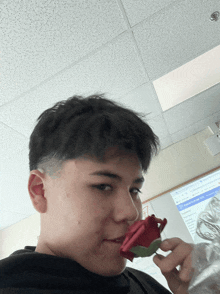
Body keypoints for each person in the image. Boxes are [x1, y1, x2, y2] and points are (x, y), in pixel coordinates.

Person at [0, 94, 193, 293]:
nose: (131, 213)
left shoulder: (144, 283)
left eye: (134, 190)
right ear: (40, 192)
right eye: (103, 186)